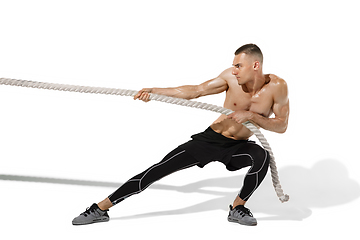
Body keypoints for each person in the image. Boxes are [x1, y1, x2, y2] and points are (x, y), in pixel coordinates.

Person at [72, 44, 289, 226]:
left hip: (238, 147)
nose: (234, 71)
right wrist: (155, 91)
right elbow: (195, 90)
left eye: (238, 66)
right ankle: (100, 209)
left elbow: (281, 126)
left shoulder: (278, 87)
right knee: (157, 170)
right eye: (233, 66)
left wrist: (250, 115)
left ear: (255, 65)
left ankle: (237, 208)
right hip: (211, 139)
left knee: (261, 157)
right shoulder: (230, 79)